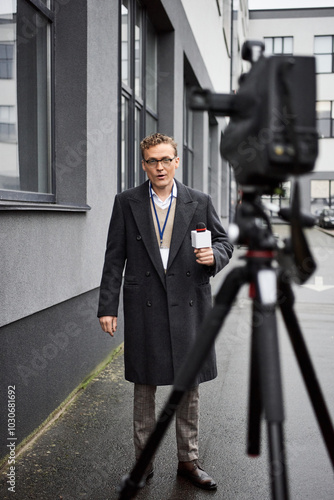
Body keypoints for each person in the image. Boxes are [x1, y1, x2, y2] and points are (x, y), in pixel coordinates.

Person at [98, 132, 233, 490]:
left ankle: (188, 461)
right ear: (143, 164)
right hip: (145, 304)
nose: (160, 167)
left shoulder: (198, 200)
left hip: (189, 302)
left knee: (188, 387)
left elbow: (224, 242)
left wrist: (213, 257)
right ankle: (143, 463)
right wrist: (106, 307)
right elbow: (114, 258)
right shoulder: (126, 202)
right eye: (152, 161)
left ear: (176, 161)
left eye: (165, 160)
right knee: (144, 386)